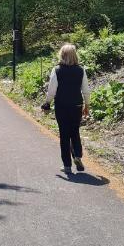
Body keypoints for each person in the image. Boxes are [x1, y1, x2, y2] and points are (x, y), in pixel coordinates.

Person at [41, 43, 91, 173]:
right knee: (75, 131)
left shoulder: (57, 70)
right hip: (77, 105)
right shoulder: (81, 70)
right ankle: (78, 155)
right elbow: (86, 90)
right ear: (75, 55)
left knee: (64, 135)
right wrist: (87, 105)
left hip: (62, 106)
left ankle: (67, 165)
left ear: (62, 55)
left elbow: (52, 90)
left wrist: (47, 102)